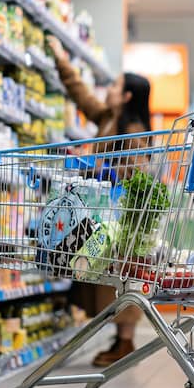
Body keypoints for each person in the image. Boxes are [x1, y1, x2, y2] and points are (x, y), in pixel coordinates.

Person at [49, 35, 153, 367]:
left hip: (125, 215)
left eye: (115, 85)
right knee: (107, 274)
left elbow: (137, 172)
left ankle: (125, 342)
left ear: (126, 95)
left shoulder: (133, 128)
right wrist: (60, 59)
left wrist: (101, 168)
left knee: (121, 274)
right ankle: (119, 339)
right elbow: (82, 96)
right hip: (104, 210)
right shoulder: (110, 117)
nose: (108, 88)